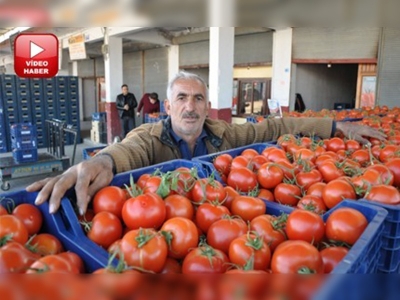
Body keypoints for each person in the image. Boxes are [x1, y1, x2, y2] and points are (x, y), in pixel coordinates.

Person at [27, 71, 386, 215]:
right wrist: (103, 163)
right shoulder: (150, 137)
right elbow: (127, 150)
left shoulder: (224, 133)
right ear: (168, 107)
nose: (190, 106)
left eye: (198, 99)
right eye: (182, 98)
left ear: (207, 105)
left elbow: (275, 127)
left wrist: (336, 125)